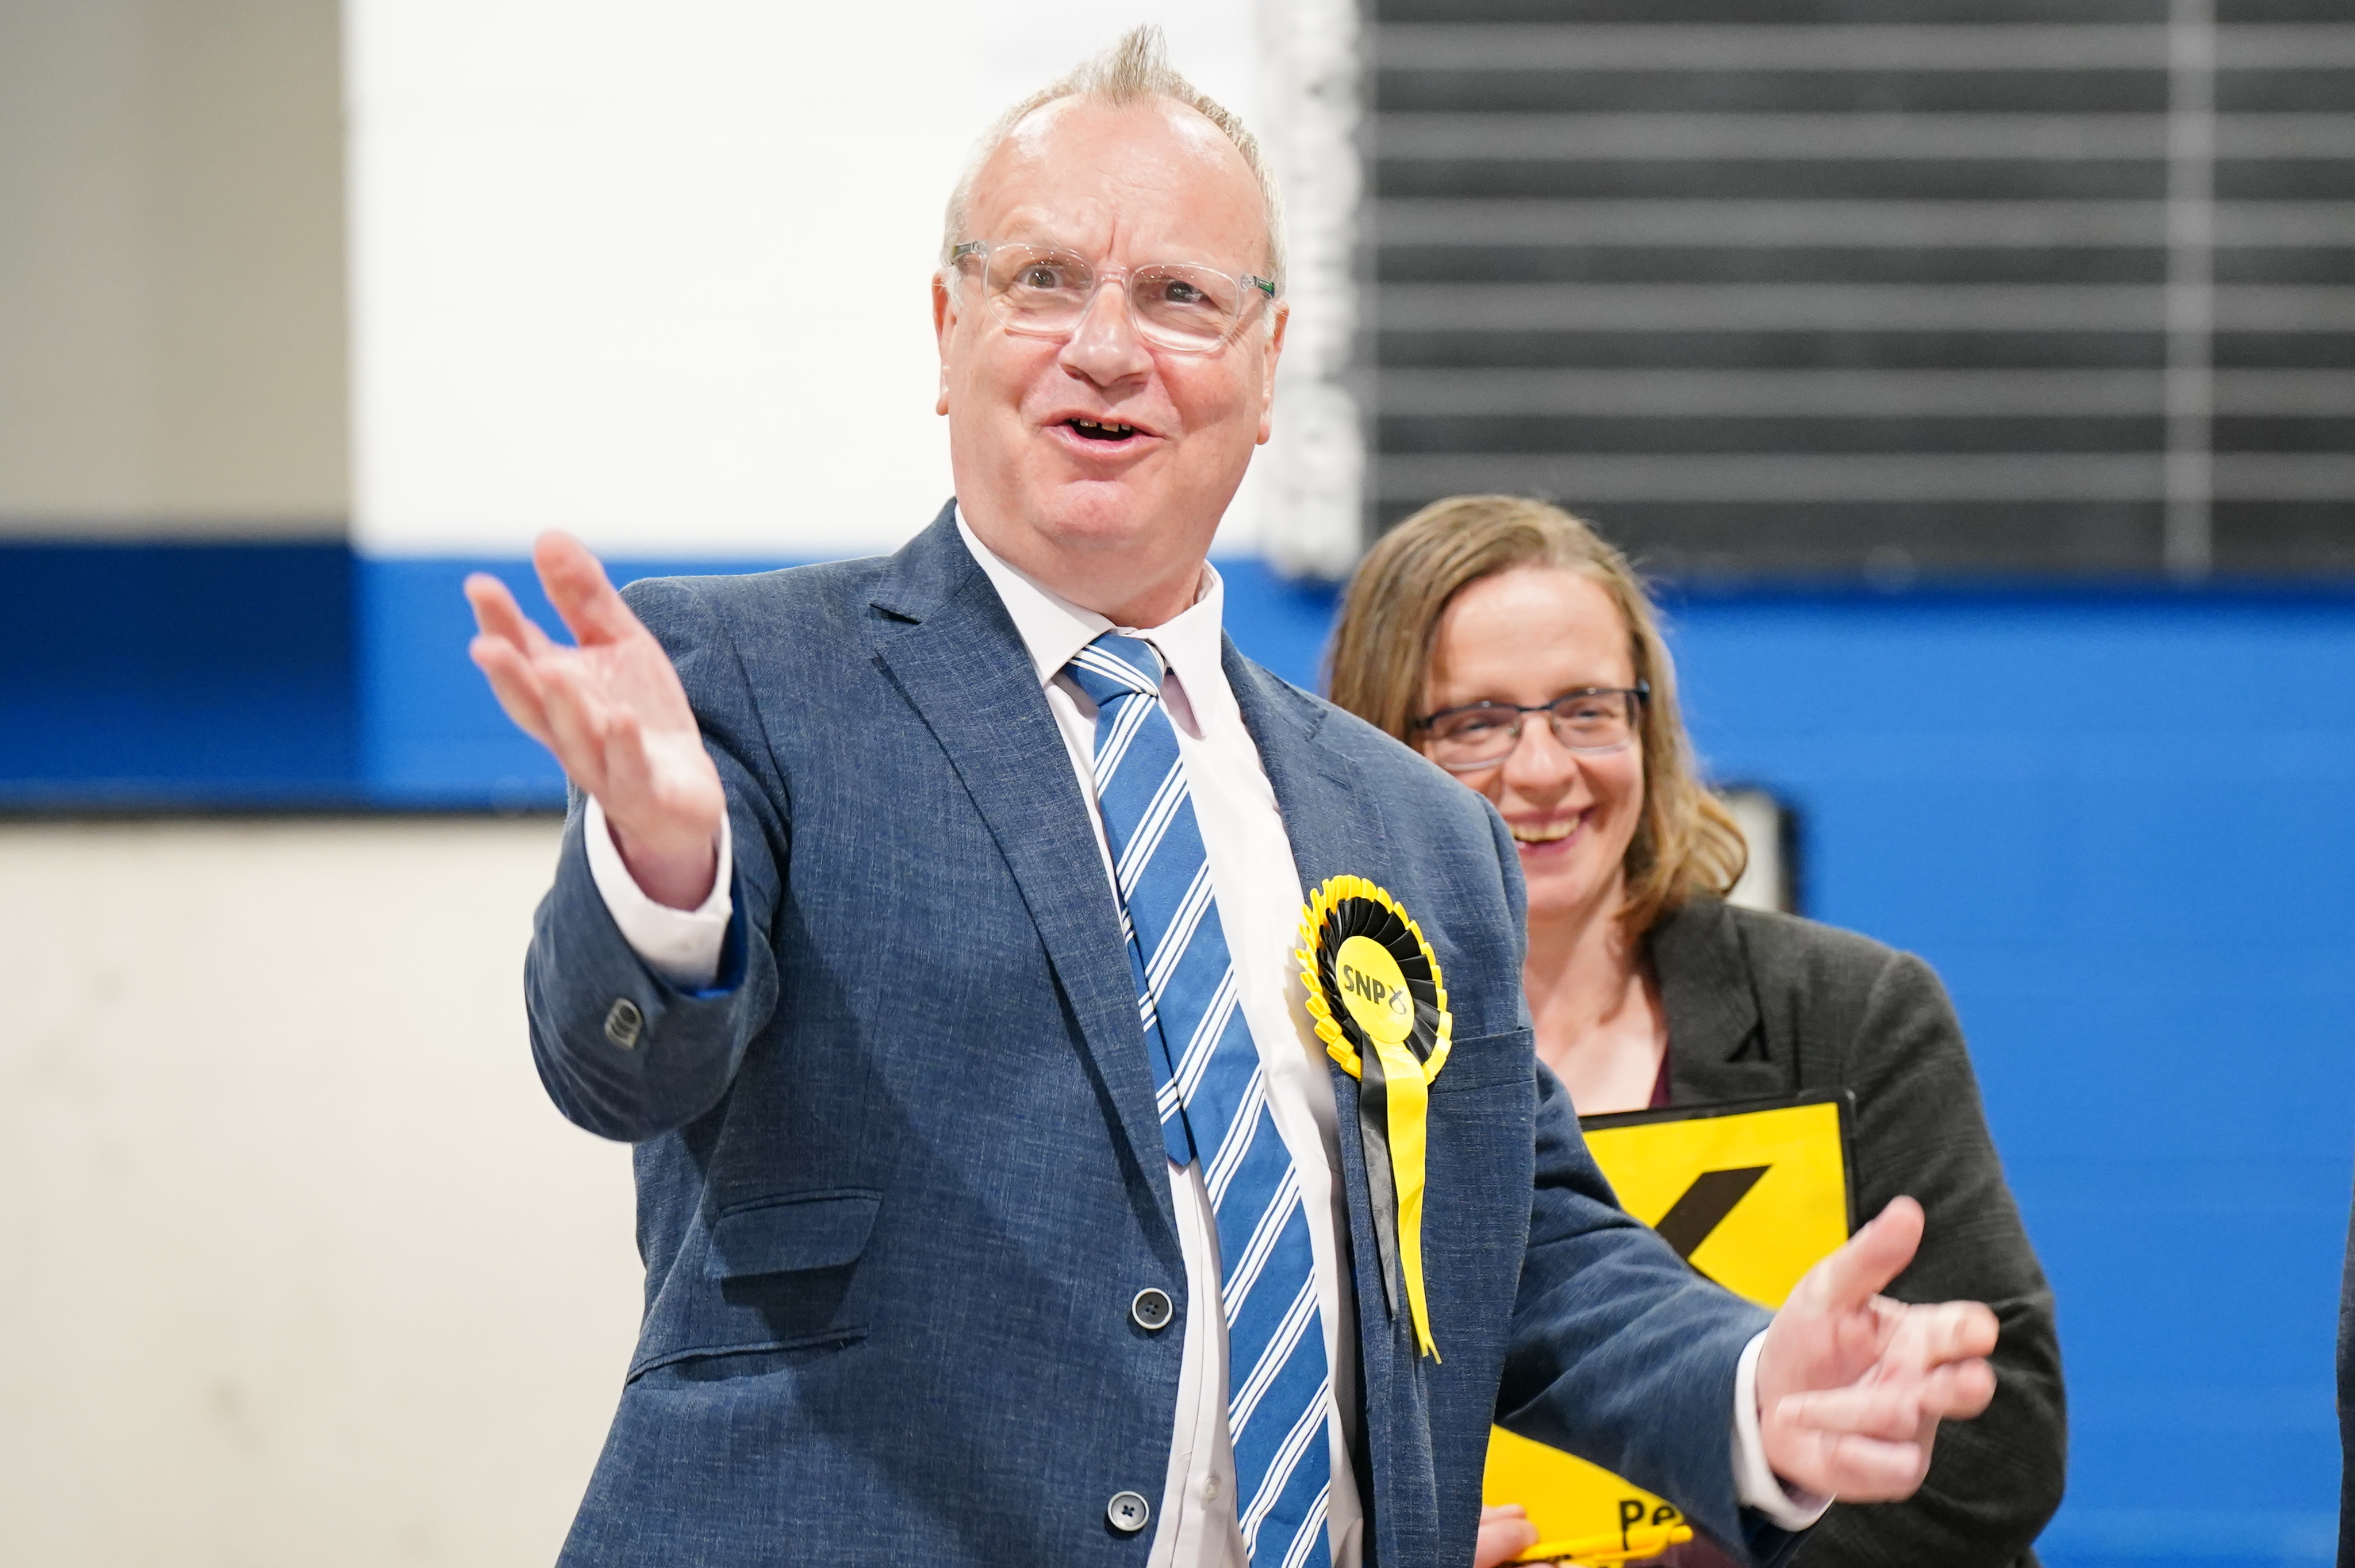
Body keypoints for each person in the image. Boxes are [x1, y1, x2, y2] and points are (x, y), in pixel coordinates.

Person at [462, 32, 2000, 1568]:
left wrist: (1740, 1386)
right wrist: (663, 877)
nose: (1110, 348)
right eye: (1044, 280)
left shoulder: (1421, 835)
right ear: (947, 330)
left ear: (1268, 374)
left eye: (1184, 298)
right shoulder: (750, 676)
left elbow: (1516, 1249)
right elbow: (619, 1071)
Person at [1327, 495, 2065, 1567]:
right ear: (1373, 748)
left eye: (1586, 710)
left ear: (1647, 728)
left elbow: (2002, 1444)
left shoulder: (1851, 1016)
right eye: (1476, 722)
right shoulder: (1310, 1060)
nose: (1542, 769)